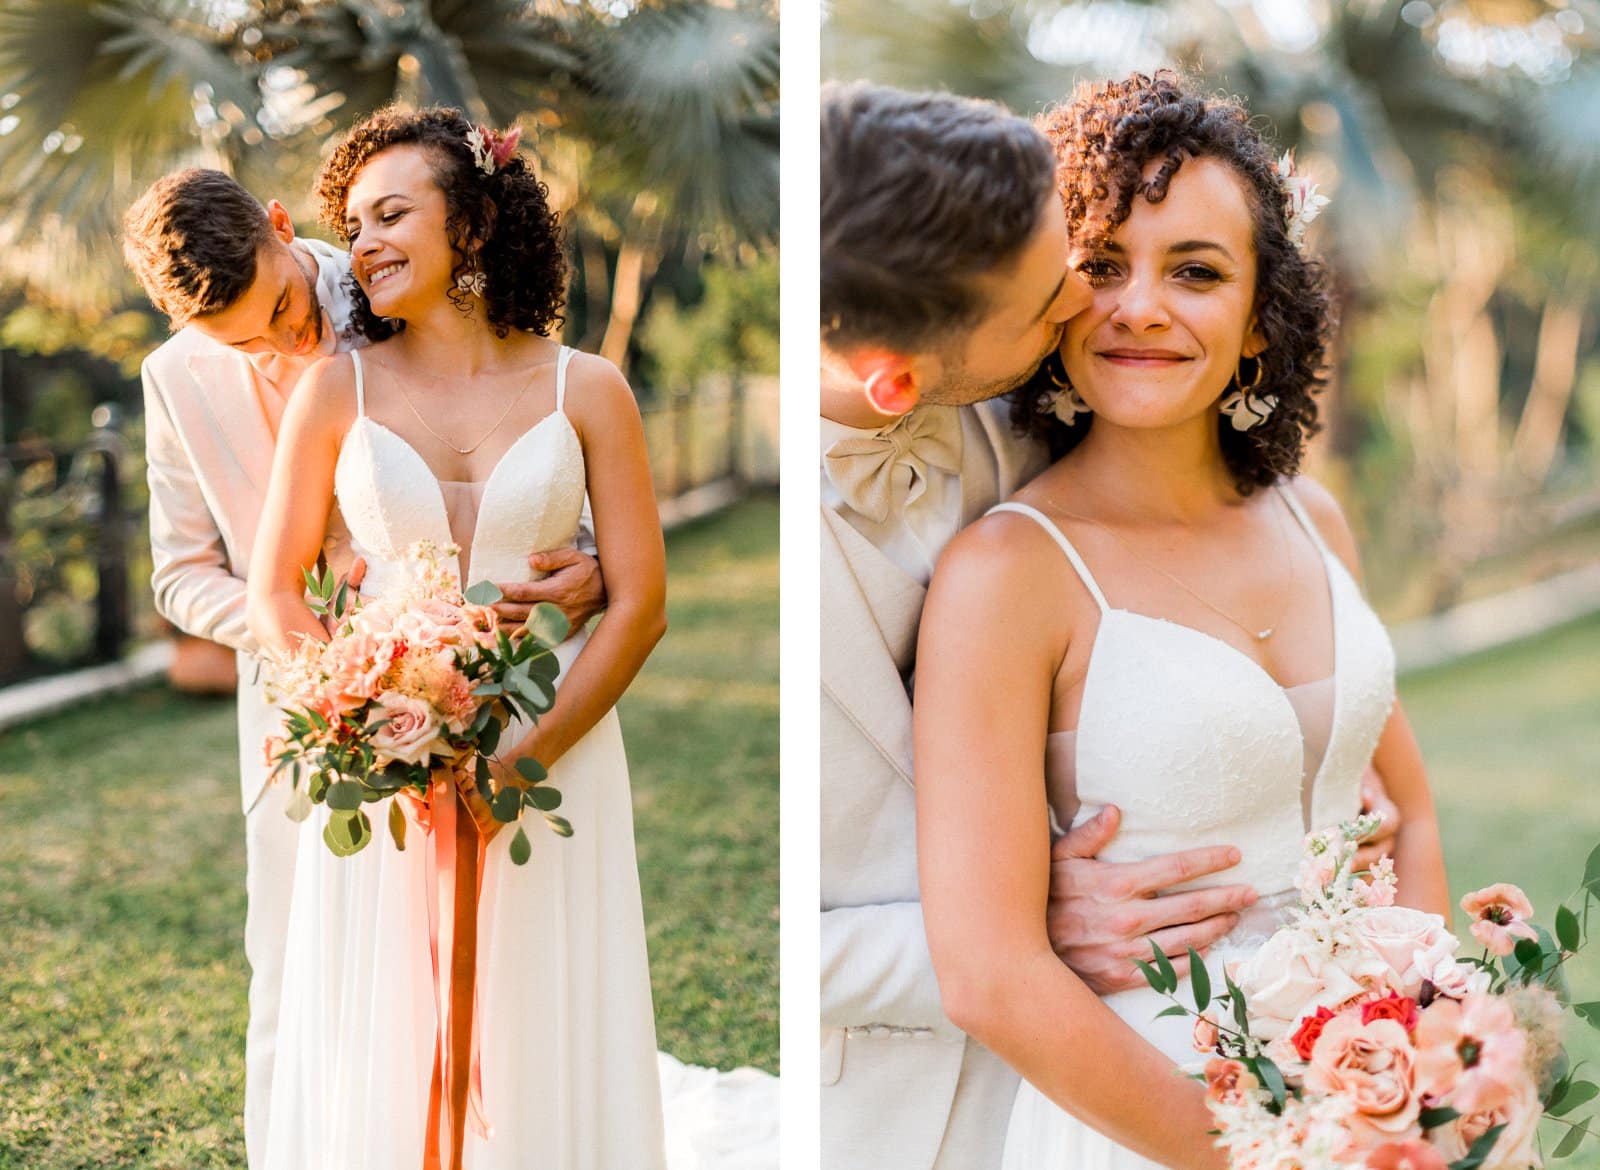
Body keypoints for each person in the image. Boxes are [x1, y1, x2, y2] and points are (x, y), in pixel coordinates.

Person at [816, 81, 1400, 1170]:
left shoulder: (1309, 517)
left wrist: (1430, 1047)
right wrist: (1277, 1152)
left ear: (1262, 310)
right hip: (1112, 1099)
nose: (1128, 307)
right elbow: (986, 966)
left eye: (1194, 269)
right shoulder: (1007, 563)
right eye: (1096, 269)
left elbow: (1399, 813)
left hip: (1367, 1071)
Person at [123, 168, 604, 1169]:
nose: (282, 343)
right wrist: (327, 654)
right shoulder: (173, 378)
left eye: (287, 311)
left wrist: (587, 553)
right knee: (295, 970)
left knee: (482, 958)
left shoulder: (406, 288)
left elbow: (526, 436)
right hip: (307, 705)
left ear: (285, 231)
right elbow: (181, 575)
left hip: (478, 677)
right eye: (246, 341)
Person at [241, 106, 669, 1169]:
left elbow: (643, 601)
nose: (364, 241)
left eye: (393, 214)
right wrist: (351, 718)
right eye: (353, 220)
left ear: (472, 225)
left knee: (539, 988)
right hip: (386, 755)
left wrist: (535, 752)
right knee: (389, 994)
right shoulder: (333, 390)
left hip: (555, 739)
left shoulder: (590, 389)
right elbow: (276, 591)